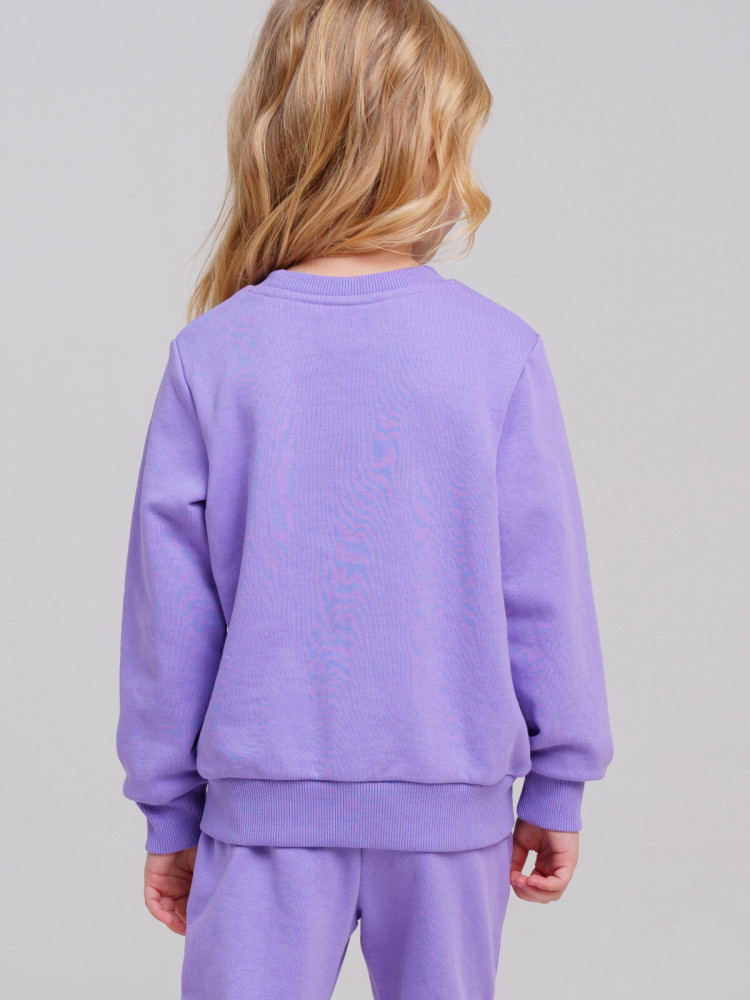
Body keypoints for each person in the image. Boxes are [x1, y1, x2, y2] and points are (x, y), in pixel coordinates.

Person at [116, 1, 615, 997]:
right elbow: (544, 589)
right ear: (428, 147)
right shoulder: (498, 352)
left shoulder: (213, 355)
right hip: (451, 822)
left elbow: (171, 619)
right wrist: (558, 779)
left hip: (259, 823)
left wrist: (170, 813)